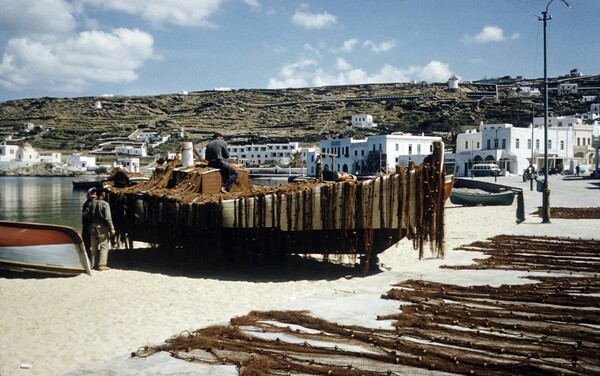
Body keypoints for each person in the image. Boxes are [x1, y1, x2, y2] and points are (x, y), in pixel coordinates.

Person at [88, 188, 116, 271]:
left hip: (93, 227)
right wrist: (112, 228)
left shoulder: (91, 203)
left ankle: (92, 264)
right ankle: (101, 265)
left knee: (93, 248)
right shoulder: (105, 204)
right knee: (104, 246)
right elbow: (108, 218)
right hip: (102, 228)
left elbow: (87, 215)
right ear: (103, 194)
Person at [81, 187, 97, 263]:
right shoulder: (88, 204)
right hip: (87, 226)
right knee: (88, 243)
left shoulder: (92, 203)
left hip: (89, 226)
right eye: (93, 194)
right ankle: (88, 260)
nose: (94, 196)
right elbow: (85, 215)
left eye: (95, 194)